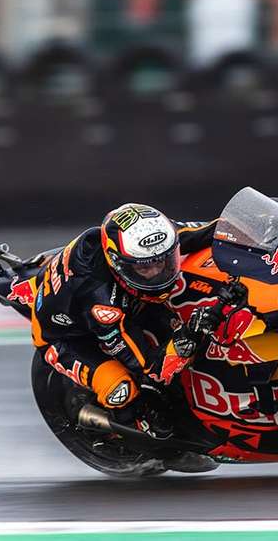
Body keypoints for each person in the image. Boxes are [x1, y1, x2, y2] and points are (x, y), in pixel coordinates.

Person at [16, 202, 221, 473]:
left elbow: (213, 231)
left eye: (164, 261)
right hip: (68, 339)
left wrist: (264, 227)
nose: (157, 272)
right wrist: (186, 339)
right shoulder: (101, 302)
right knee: (122, 389)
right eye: (145, 268)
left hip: (127, 301)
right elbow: (152, 368)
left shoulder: (156, 239)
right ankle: (153, 443)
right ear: (118, 264)